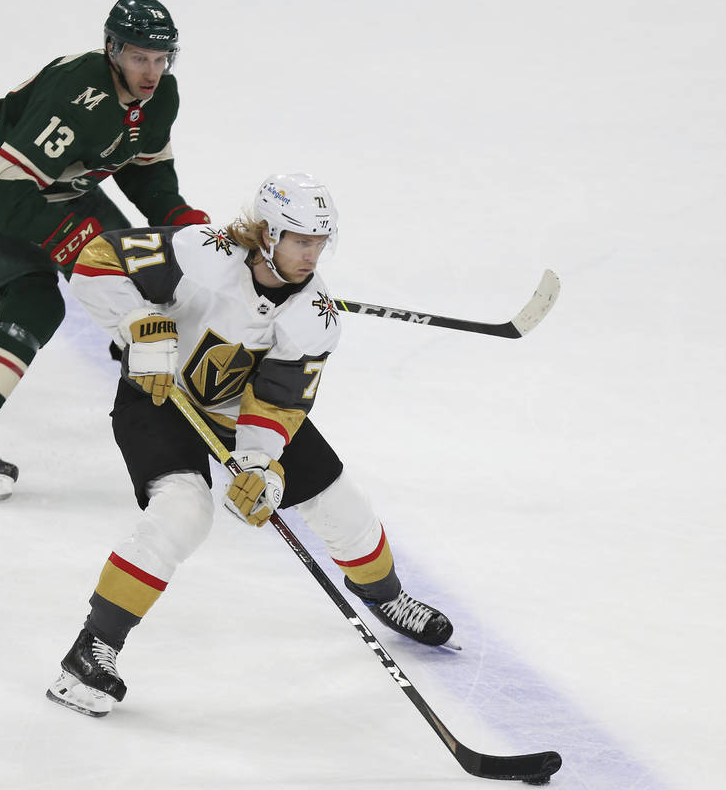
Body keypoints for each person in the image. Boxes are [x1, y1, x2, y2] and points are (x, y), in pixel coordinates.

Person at [45, 173, 455, 717]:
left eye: (319, 244)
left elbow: (280, 400)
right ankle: (90, 654)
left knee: (343, 508)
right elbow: (98, 259)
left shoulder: (316, 316)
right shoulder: (202, 252)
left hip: (242, 408)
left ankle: (384, 596)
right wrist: (138, 321)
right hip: (160, 395)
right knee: (183, 512)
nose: (312, 256)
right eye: (300, 241)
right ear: (267, 233)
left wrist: (261, 467)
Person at [0, 0, 210, 501]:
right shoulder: (78, 92)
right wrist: (77, 245)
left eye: (162, 59)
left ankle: (183, 414)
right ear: (113, 48)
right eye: (140, 57)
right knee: (36, 302)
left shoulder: (162, 96)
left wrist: (179, 220)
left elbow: (146, 168)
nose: (153, 71)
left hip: (62, 187)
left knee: (150, 281)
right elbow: (9, 192)